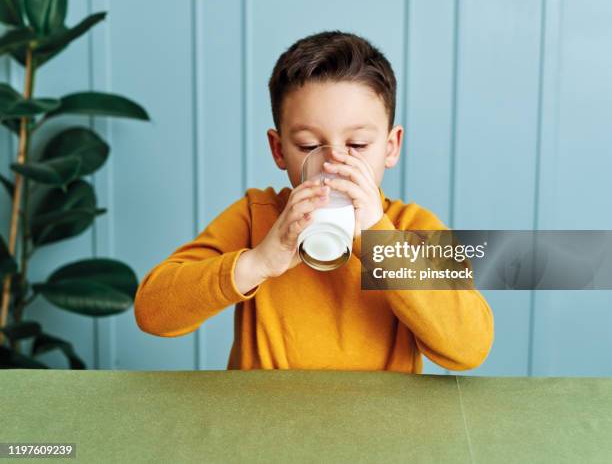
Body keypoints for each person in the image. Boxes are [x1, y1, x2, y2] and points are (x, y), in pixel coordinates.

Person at [134, 30, 494, 372]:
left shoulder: (411, 227)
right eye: (308, 146)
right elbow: (152, 311)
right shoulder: (256, 217)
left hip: (381, 431)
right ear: (279, 150)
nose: (334, 163)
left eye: (357, 145)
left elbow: (470, 346)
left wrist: (377, 238)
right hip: (267, 428)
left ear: (391, 146)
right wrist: (258, 262)